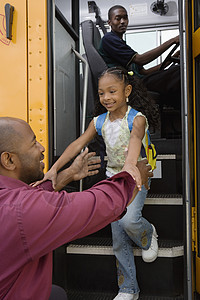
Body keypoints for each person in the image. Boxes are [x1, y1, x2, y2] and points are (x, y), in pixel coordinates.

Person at [35, 67, 160, 300]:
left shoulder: (137, 118)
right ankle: (128, 289)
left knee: (130, 221)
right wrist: (54, 169)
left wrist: (131, 166)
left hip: (136, 176)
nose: (106, 98)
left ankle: (147, 233)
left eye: (113, 91)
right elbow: (77, 144)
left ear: (127, 91)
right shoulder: (99, 121)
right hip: (114, 177)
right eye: (102, 93)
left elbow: (135, 139)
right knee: (117, 238)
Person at [0, 116, 152, 300]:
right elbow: (98, 205)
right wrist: (132, 177)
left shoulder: (10, 202)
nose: (42, 148)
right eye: (33, 144)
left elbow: (26, 201)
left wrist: (68, 174)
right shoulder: (19, 211)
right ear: (8, 160)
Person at [99, 5, 181, 108]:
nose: (123, 21)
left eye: (125, 17)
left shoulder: (123, 45)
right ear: (110, 22)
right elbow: (141, 59)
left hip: (141, 80)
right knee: (179, 73)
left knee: (175, 73)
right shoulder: (109, 39)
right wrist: (172, 40)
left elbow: (144, 72)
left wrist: (171, 59)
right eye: (118, 18)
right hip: (134, 85)